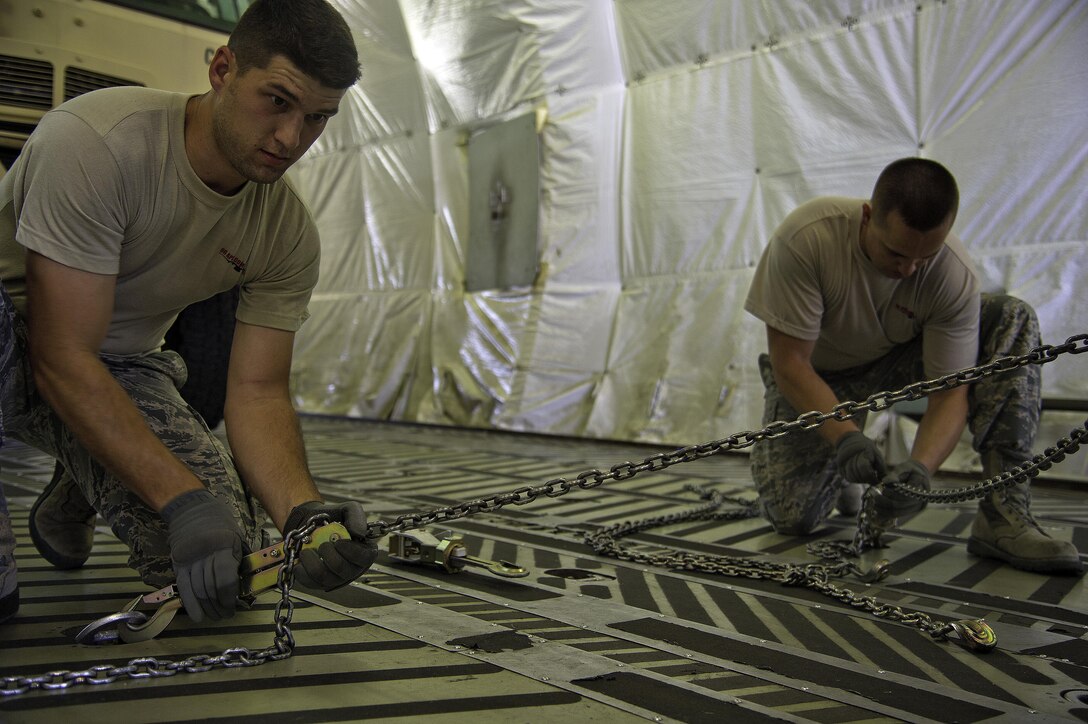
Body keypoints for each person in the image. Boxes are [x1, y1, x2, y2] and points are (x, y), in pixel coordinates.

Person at [0, 0, 377, 627]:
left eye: (317, 119)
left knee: (227, 567)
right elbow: (58, 356)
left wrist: (301, 513)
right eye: (277, 101)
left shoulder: (285, 232)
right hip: (17, 336)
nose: (291, 139)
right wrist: (181, 500)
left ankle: (77, 487)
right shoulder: (99, 142)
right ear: (223, 69)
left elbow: (257, 393)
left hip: (115, 366)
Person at [743, 157, 1082, 574]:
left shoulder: (952, 273)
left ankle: (1004, 513)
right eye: (896, 252)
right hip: (818, 376)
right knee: (792, 517)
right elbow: (791, 363)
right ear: (868, 217)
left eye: (925, 257)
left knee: (1010, 318)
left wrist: (921, 469)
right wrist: (844, 436)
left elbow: (951, 390)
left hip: (897, 362)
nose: (908, 269)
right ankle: (843, 463)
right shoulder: (807, 239)